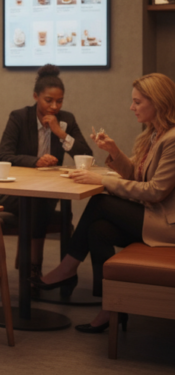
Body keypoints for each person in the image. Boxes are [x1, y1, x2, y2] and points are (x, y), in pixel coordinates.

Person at [36, 73, 175, 332]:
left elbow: (155, 191)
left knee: (99, 202)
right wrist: (114, 152)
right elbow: (137, 175)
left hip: (166, 225)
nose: (131, 107)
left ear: (157, 102)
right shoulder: (155, 134)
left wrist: (104, 181)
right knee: (97, 230)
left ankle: (68, 266)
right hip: (152, 216)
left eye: (137, 102)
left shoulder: (173, 139)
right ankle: (110, 307)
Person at [0, 64, 92, 283]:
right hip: (13, 191)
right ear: (36, 96)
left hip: (46, 191)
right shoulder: (20, 117)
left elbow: (86, 154)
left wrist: (60, 132)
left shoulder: (66, 119)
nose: (54, 106)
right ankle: (34, 270)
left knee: (45, 204)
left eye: (59, 101)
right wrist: (35, 161)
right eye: (49, 100)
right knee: (38, 203)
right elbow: (3, 155)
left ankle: (35, 269)